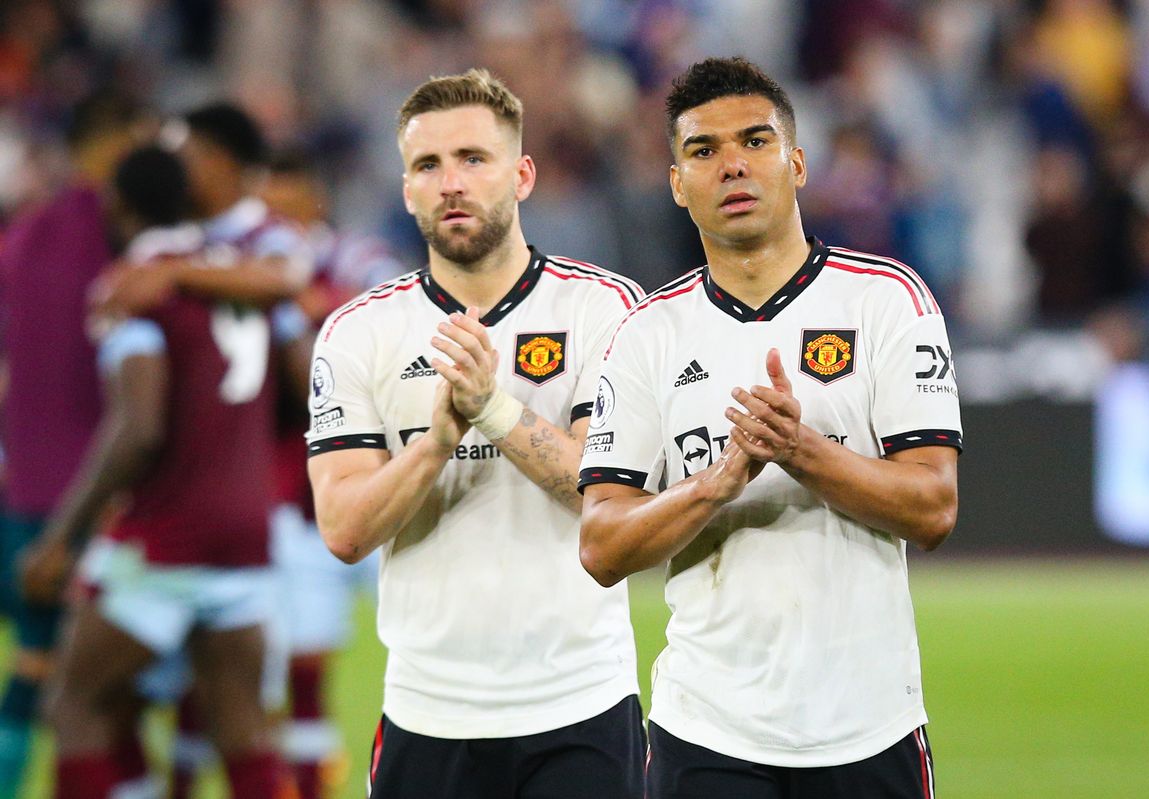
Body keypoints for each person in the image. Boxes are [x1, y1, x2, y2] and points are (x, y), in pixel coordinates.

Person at [578, 57, 961, 799]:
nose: (732, 165)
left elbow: (934, 508)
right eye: (703, 150)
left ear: (797, 163)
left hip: (869, 724)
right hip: (707, 734)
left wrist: (801, 450)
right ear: (676, 184)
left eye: (755, 141)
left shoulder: (886, 301)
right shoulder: (646, 334)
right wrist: (716, 484)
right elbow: (600, 545)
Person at [305, 69, 646, 799]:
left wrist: (494, 410)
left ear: (522, 175)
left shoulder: (603, 308)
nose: (450, 182)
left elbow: (610, 496)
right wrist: (434, 442)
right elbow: (343, 529)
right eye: (428, 165)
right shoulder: (360, 333)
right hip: (429, 712)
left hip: (580, 705)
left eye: (473, 159)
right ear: (406, 190)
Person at [20, 144, 289, 799]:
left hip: (167, 532)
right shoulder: (230, 271)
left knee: (77, 706)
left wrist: (61, 536)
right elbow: (303, 371)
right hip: (247, 530)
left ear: (118, 205)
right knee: (242, 727)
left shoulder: (132, 283)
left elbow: (138, 427)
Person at [0, 89, 147, 799]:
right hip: (94, 501)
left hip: (22, 493)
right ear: (108, 143)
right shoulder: (124, 245)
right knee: (106, 694)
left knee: (36, 665)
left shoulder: (21, 239)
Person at [259, 148, 404, 799]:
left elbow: (403, 313)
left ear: (315, 204)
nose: (277, 222)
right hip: (301, 497)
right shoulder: (250, 275)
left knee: (426, 644)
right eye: (268, 209)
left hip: (395, 487)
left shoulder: (353, 259)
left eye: (287, 208)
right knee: (304, 668)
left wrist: (311, 303)